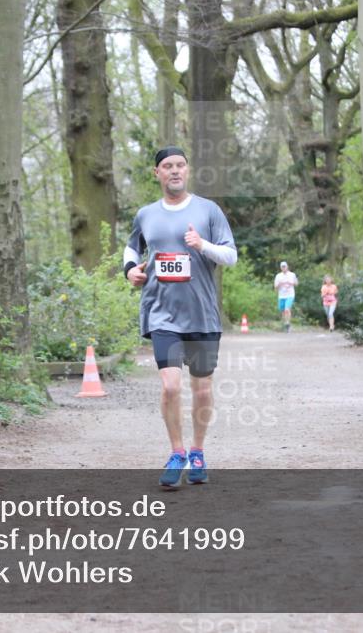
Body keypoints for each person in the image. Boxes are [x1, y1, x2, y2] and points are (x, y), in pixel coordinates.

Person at [123, 146, 237, 489]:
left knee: (202, 391)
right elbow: (132, 247)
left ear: (187, 171)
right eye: (167, 166)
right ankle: (176, 453)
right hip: (161, 313)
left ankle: (198, 452)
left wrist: (202, 245)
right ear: (157, 173)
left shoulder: (208, 211)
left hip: (201, 315)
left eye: (180, 166)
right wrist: (130, 270)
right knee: (170, 385)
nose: (175, 171)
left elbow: (230, 255)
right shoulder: (146, 214)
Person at [273, 261, 298, 333]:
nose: (283, 268)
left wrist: (291, 283)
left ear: (287, 267)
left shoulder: (292, 274)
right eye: (282, 267)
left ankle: (288, 323)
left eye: (285, 266)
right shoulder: (278, 276)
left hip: (290, 294)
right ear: (280, 268)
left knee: (287, 309)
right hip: (281, 295)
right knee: (283, 310)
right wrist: (279, 284)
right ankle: (286, 324)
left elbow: (296, 283)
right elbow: (275, 287)